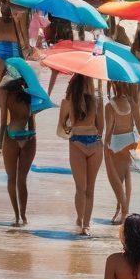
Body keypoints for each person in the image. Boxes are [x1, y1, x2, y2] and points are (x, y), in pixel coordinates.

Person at [58, 74, 104, 236]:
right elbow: (101, 129)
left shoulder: (71, 101)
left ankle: (84, 221)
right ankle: (84, 222)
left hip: (79, 143)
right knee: (87, 188)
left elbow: (62, 126)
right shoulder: (92, 101)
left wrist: (69, 124)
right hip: (91, 144)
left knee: (83, 188)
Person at [0, 73, 36, 227]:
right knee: (22, 179)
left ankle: (16, 216)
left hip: (12, 135)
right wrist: (31, 137)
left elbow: (2, 121)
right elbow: (32, 120)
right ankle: (24, 214)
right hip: (29, 136)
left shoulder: (7, 94)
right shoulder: (30, 94)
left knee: (11, 178)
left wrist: (0, 144)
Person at [103, 82, 140, 224]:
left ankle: (122, 210)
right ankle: (123, 209)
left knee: (116, 179)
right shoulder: (132, 102)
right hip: (131, 140)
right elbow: (139, 125)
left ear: (112, 86)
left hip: (117, 142)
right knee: (127, 176)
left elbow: (109, 129)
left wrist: (105, 146)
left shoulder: (110, 106)